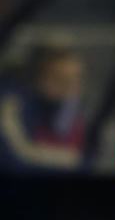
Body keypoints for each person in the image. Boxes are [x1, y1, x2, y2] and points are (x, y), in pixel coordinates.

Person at [0, 40, 87, 174]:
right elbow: (16, 155)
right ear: (38, 78)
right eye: (61, 80)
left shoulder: (65, 106)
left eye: (76, 79)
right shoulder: (12, 102)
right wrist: (74, 160)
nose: (73, 89)